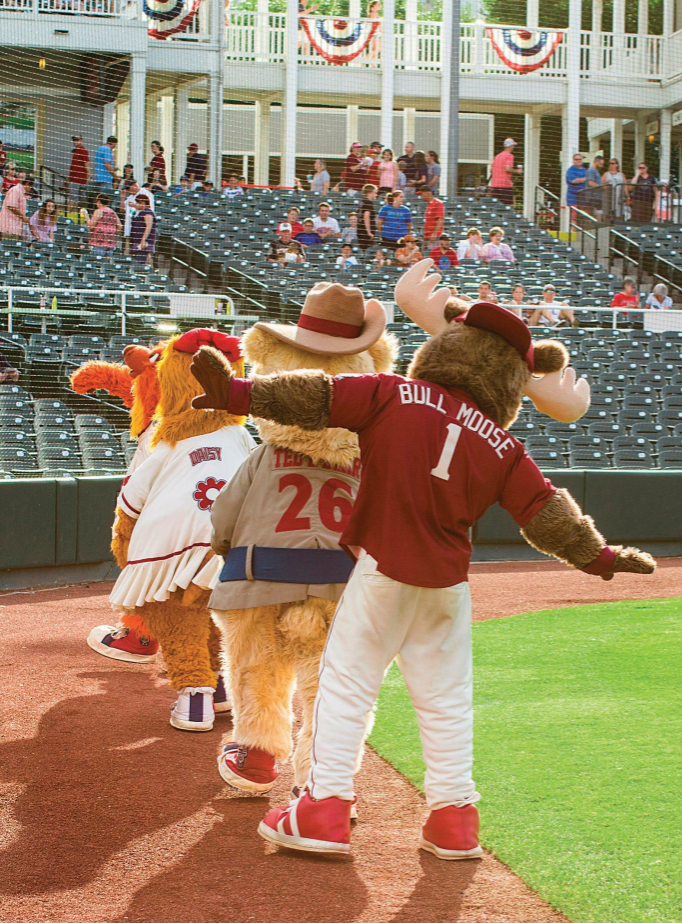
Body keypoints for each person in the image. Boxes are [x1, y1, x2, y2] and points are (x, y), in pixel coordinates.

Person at [124, 182, 154, 254]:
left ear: (134, 185)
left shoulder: (146, 193)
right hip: (133, 228)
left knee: (144, 255)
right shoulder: (130, 197)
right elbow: (122, 209)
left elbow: (147, 207)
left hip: (142, 229)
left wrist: (143, 239)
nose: (128, 191)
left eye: (129, 188)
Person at [489, 138, 521, 206]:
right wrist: (517, 171)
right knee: (509, 206)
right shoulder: (509, 156)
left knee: (496, 207)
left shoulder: (497, 156)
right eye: (513, 145)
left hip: (495, 185)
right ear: (511, 146)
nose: (513, 147)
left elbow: (491, 170)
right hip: (505, 185)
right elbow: (508, 168)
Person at [0, 173, 31, 240]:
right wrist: (24, 218)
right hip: (8, 228)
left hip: (16, 229)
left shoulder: (22, 193)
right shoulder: (15, 190)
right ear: (27, 184)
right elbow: (12, 206)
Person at [130, 193, 157, 265]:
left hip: (143, 242)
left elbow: (148, 226)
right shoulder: (140, 213)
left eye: (137, 203)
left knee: (141, 262)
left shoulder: (147, 212)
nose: (136, 204)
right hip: (137, 241)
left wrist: (143, 240)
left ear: (142, 203)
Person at [67, 136, 90, 208]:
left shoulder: (83, 150)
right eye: (74, 140)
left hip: (80, 179)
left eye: (77, 140)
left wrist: (89, 175)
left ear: (81, 140)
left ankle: (70, 215)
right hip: (74, 179)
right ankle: (71, 215)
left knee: (75, 199)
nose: (75, 141)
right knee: (77, 199)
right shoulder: (75, 151)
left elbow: (86, 163)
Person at [358, 183, 378, 251]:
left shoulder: (362, 202)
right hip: (365, 232)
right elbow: (366, 217)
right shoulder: (368, 202)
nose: (376, 195)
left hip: (360, 230)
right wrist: (369, 232)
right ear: (369, 192)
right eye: (375, 193)